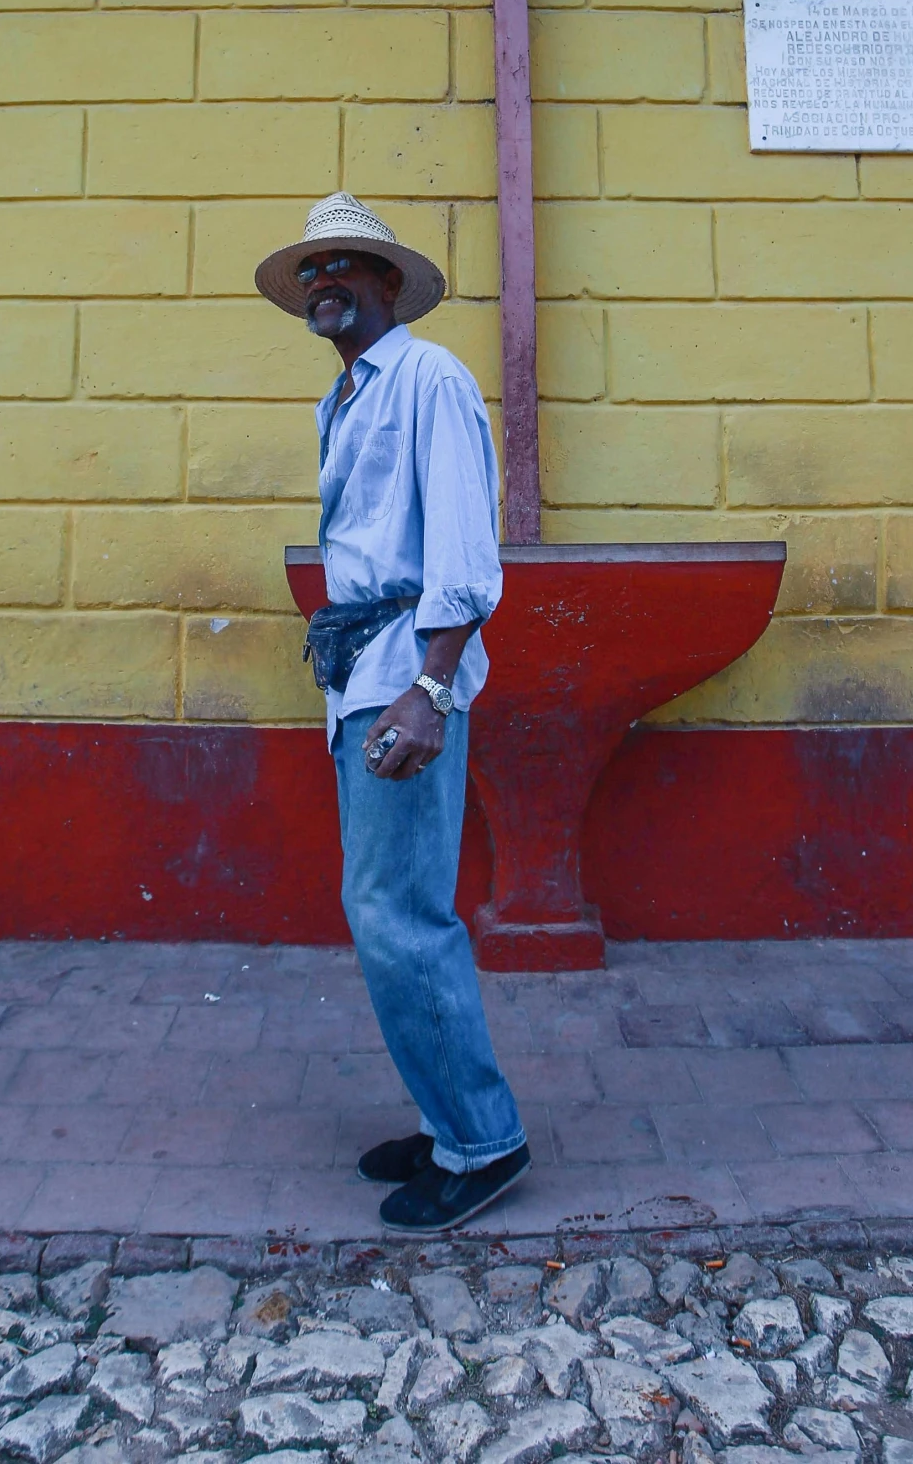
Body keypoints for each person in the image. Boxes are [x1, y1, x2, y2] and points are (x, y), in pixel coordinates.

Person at [255, 191, 530, 1231]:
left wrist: (428, 687)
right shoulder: (347, 397)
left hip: (403, 677)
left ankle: (483, 1140)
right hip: (359, 672)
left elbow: (461, 549)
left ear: (386, 284)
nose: (326, 283)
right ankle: (442, 1112)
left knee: (399, 913)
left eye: (345, 268)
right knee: (384, 907)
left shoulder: (427, 379)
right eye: (312, 272)